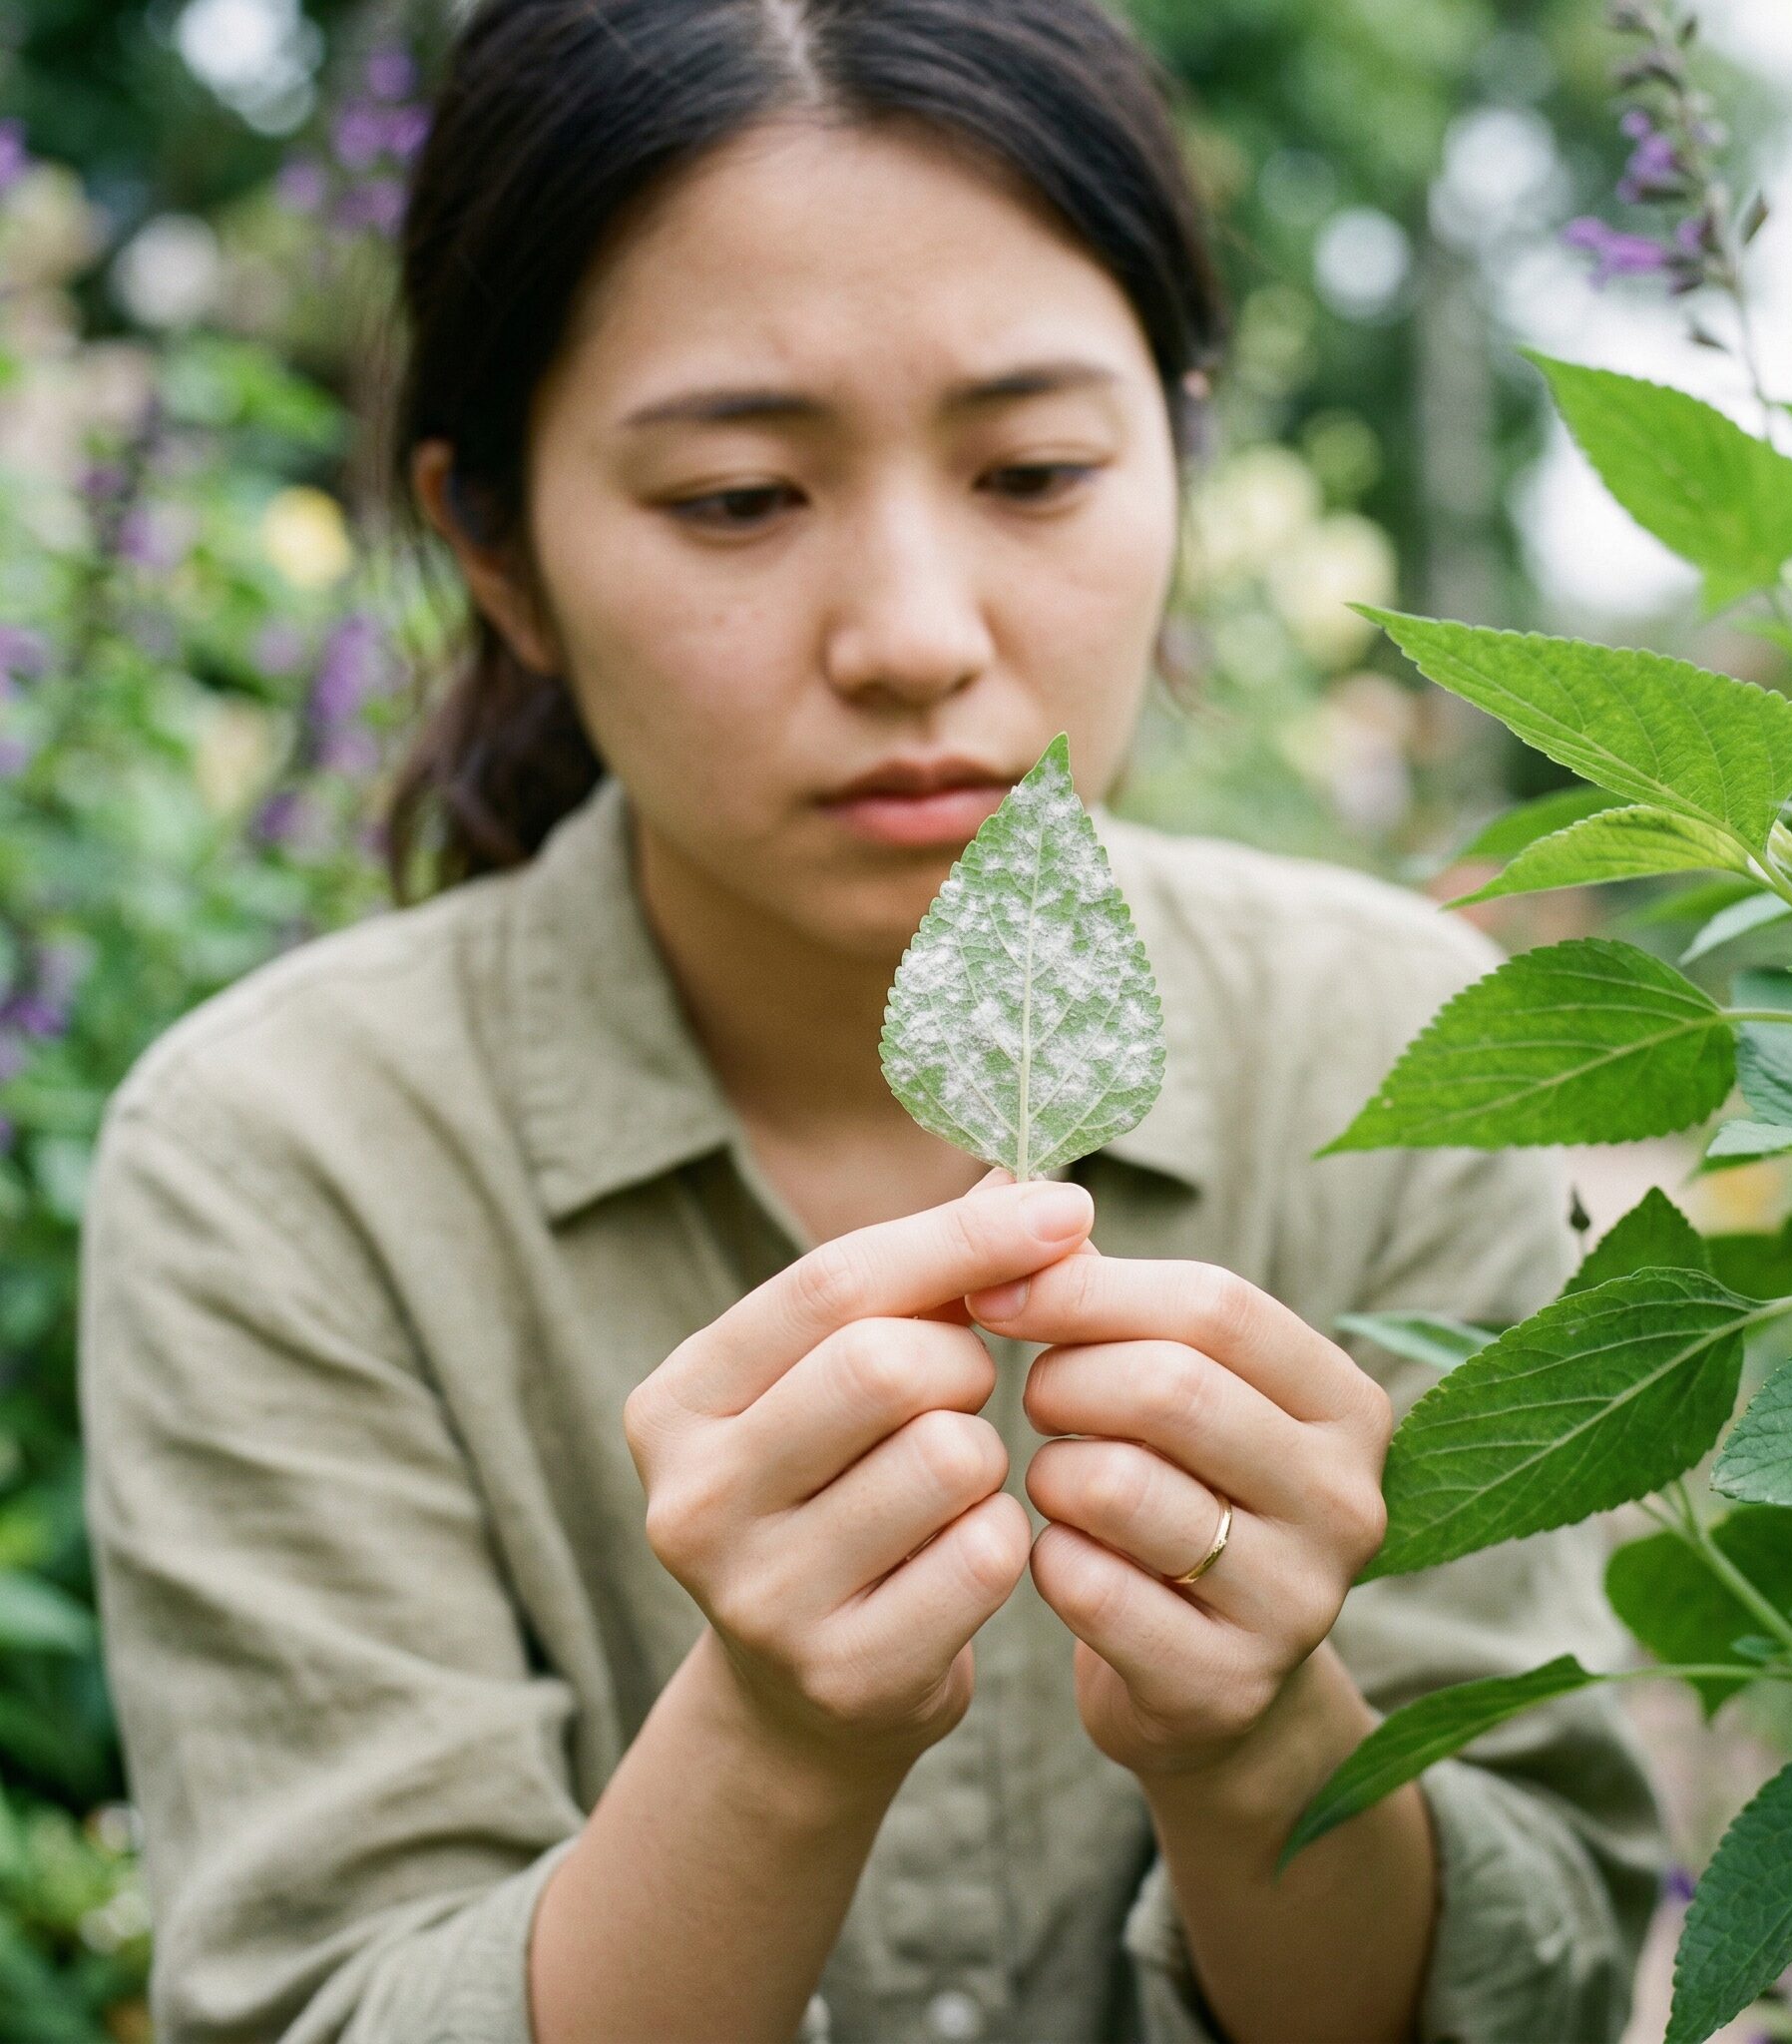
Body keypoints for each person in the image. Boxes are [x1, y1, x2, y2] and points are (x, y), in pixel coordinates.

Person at [77, 2, 1666, 2039]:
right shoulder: (287, 1159)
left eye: (1033, 469)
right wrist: (773, 1741)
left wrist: (1259, 1734)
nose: (916, 636)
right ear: (498, 546)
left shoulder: (1402, 1050)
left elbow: (1527, 1978)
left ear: (1176, 453)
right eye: (738, 496)